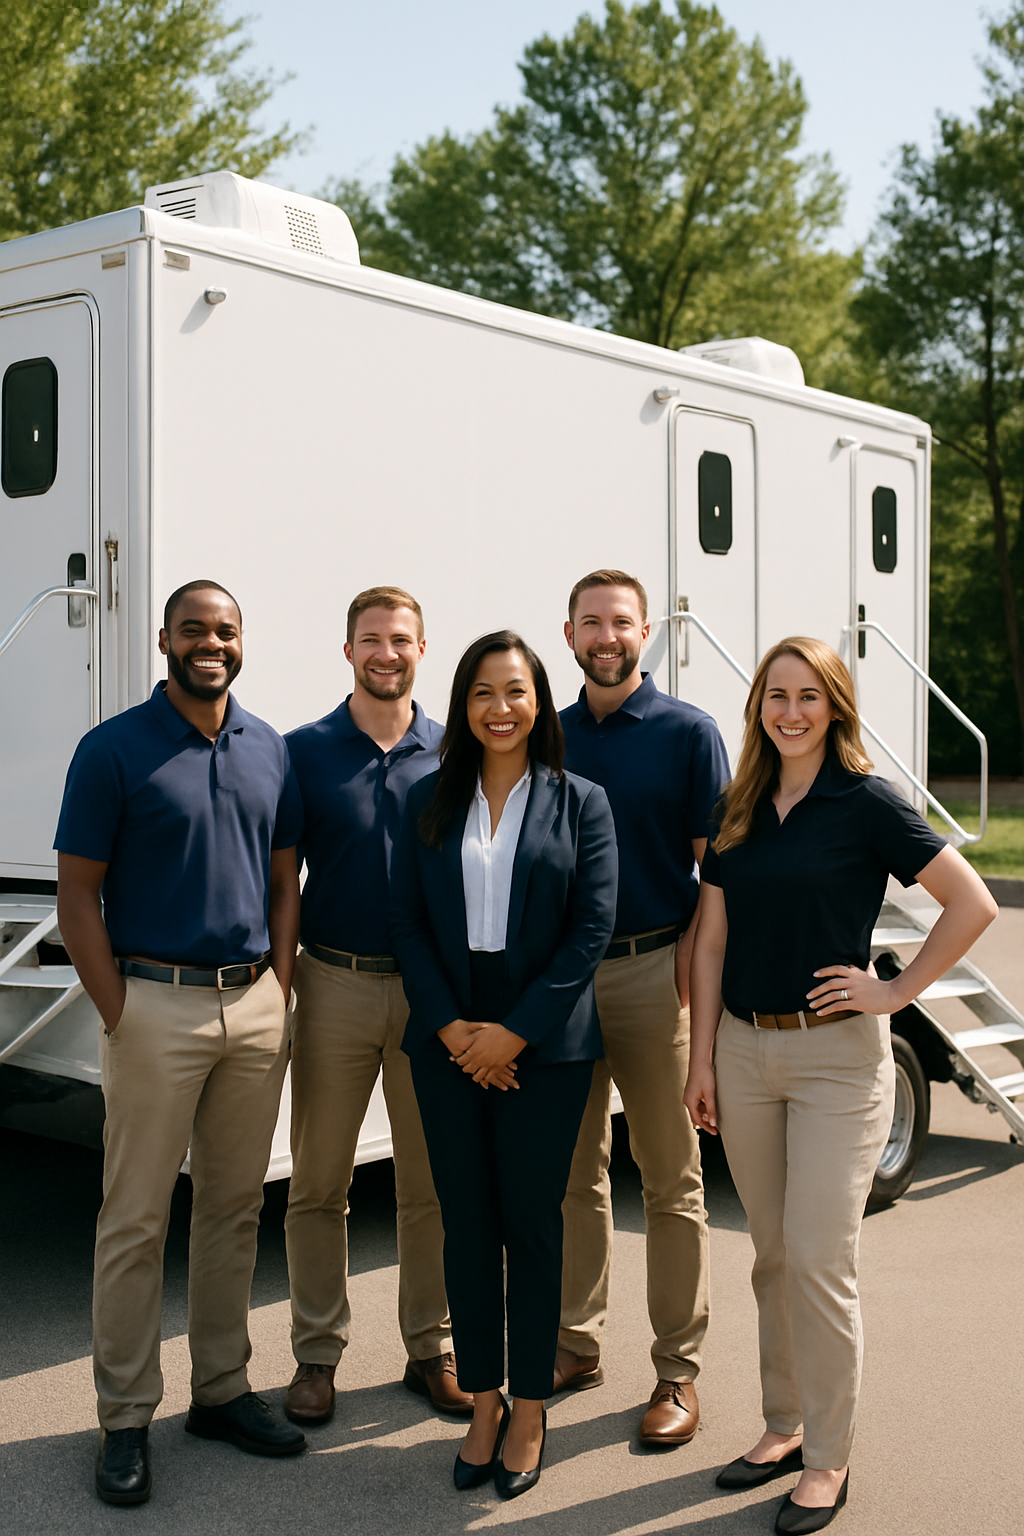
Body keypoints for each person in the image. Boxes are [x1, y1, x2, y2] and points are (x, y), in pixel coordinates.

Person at [684, 636, 997, 1534]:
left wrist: (895, 990)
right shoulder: (737, 805)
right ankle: (783, 1425)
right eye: (775, 696)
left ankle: (828, 1458)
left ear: (835, 708)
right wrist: (701, 1059)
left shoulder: (867, 802)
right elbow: (711, 941)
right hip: (744, 1053)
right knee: (772, 1255)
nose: (790, 712)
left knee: (820, 1259)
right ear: (758, 707)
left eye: (808, 697)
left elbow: (972, 902)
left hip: (837, 1062)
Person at [55, 580, 307, 1508]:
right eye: (194, 628)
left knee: (235, 1209)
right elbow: (77, 894)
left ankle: (222, 1390)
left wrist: (278, 986)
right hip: (152, 1006)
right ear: (164, 640)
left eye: (226, 630)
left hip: (252, 1006)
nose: (211, 642)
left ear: (243, 641)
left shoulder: (268, 746)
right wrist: (119, 1009)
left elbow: (285, 879)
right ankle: (124, 1417)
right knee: (135, 1219)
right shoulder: (113, 748)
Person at [390, 631, 617, 1499]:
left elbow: (589, 930)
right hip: (447, 1034)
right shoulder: (426, 796)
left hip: (544, 1041)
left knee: (531, 1224)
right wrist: (455, 1033)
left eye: (516, 691)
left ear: (539, 701)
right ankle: (482, 1402)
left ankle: (529, 1408)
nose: (500, 708)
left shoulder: (581, 801)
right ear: (463, 704)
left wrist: (512, 1035)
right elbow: (407, 921)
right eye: (483, 692)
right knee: (467, 1224)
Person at [282, 586, 471, 1423]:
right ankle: (316, 1356)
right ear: (348, 651)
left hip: (431, 994)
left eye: (400, 639)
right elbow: (281, 876)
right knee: (318, 1183)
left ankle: (430, 1349)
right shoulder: (303, 752)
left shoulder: (456, 752)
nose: (385, 653)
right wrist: (281, 981)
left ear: (422, 650)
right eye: (370, 639)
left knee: (430, 1186)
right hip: (333, 983)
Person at [556, 569, 730, 1445]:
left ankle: (677, 1372)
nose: (606, 636)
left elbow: (717, 874)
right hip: (562, 981)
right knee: (573, 1176)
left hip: (654, 970)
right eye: (591, 622)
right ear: (569, 635)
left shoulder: (689, 734)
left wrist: (693, 975)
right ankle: (575, 1343)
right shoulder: (546, 737)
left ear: (646, 631)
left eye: (620, 621)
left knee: (670, 1178)